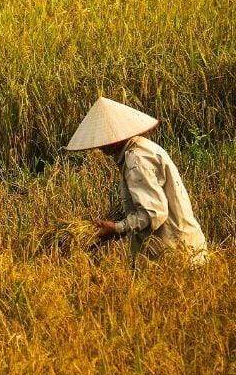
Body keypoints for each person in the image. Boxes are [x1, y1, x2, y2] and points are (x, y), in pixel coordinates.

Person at [66, 97, 207, 263]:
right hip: (181, 248)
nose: (100, 146)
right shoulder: (143, 147)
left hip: (174, 254)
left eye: (104, 139)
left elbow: (153, 213)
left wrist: (118, 228)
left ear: (116, 136)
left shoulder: (136, 160)